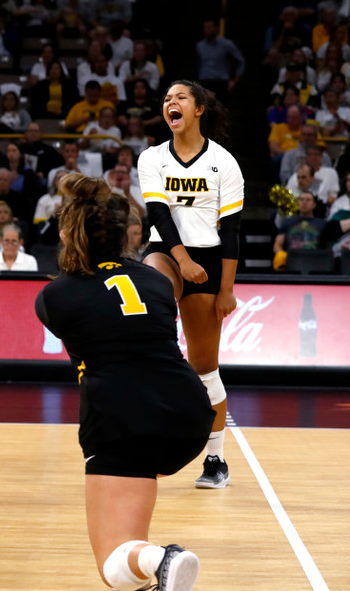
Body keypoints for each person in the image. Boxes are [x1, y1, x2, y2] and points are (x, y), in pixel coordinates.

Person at [36, 173, 213, 591]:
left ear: (67, 233)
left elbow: (84, 316)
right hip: (189, 415)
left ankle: (161, 557)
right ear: (123, 236)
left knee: (115, 561)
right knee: (134, 563)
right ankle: (158, 570)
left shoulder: (54, 297)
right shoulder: (157, 282)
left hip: (121, 419)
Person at [139, 80, 244, 490]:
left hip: (210, 260)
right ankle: (156, 386)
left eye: (180, 97)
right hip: (167, 251)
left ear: (199, 109)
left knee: (206, 369)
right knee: (152, 288)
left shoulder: (224, 162)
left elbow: (233, 231)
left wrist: (227, 288)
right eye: (166, 99)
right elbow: (158, 214)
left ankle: (215, 459)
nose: (171, 103)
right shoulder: (152, 157)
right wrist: (181, 261)